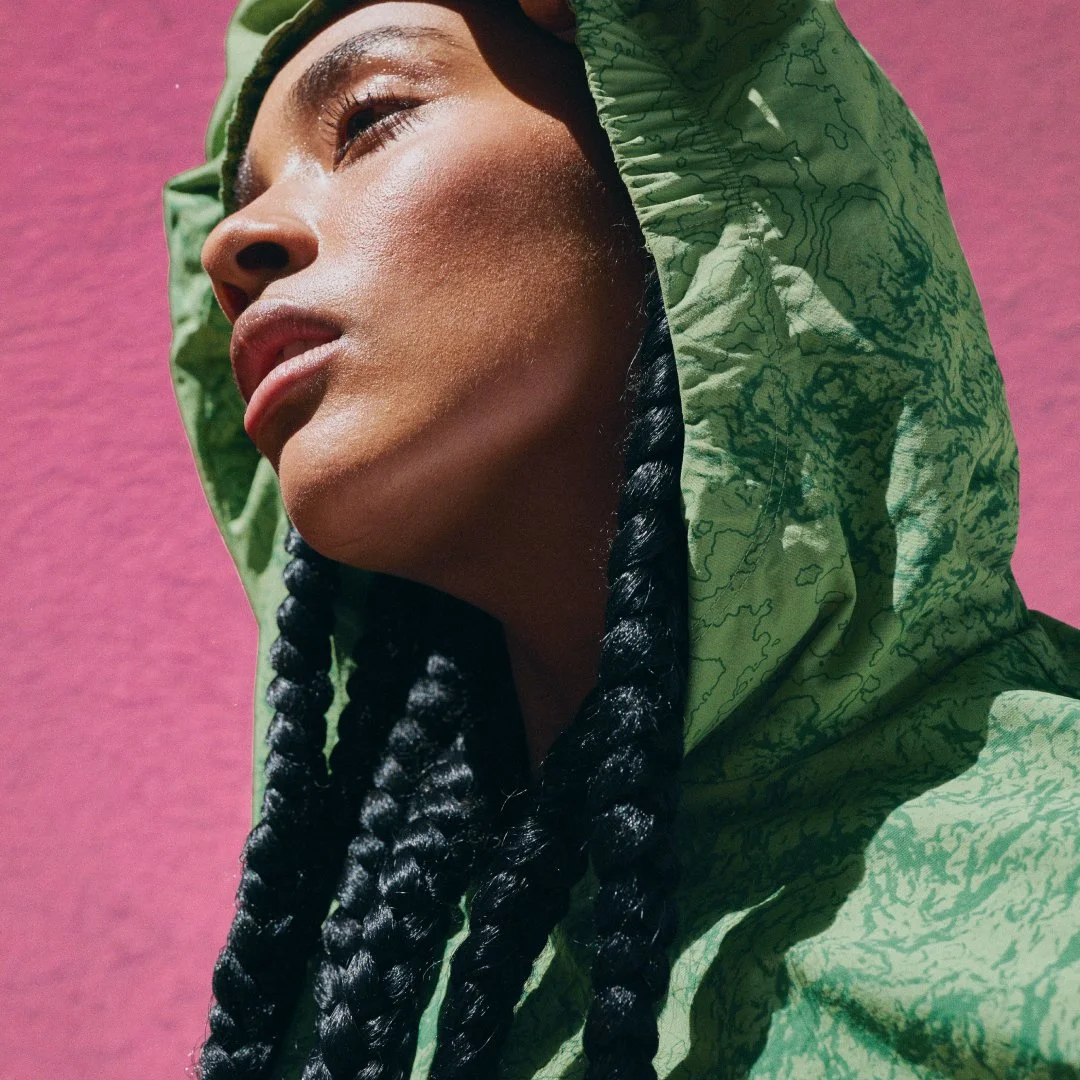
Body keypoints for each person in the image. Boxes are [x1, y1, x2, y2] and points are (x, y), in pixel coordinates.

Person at [163, 0, 1080, 1076]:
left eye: (367, 122)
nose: (235, 247)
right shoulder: (378, 991)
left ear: (671, 167)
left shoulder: (1047, 873)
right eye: (244, 201)